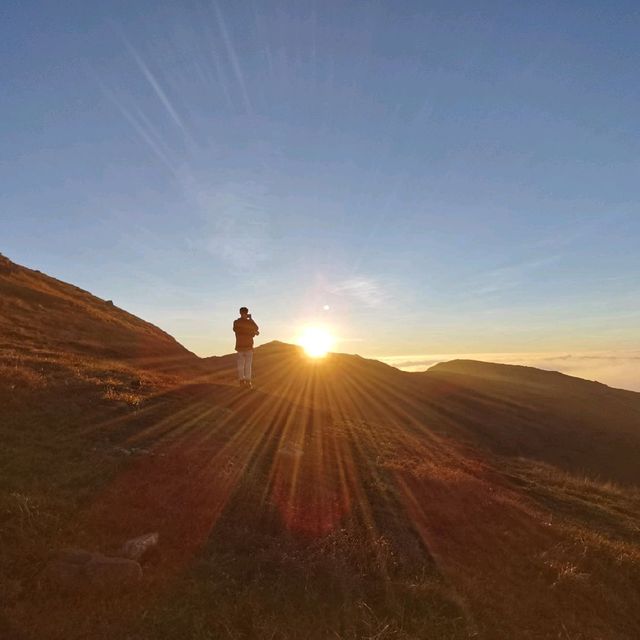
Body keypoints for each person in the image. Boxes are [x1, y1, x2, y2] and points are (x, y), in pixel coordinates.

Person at [233, 307, 259, 388]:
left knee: (242, 365)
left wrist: (253, 331)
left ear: (240, 313)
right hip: (247, 346)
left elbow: (256, 328)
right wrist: (253, 332)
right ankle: (247, 382)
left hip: (241, 346)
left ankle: (243, 381)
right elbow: (255, 329)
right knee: (247, 365)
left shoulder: (236, 322)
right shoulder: (246, 323)